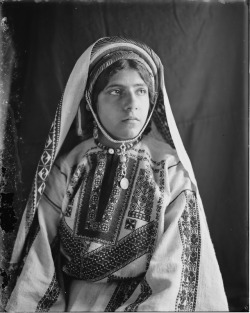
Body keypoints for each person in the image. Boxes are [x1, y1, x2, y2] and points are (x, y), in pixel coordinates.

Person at [5, 37, 228, 312]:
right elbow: (39, 265)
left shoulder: (169, 170)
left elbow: (175, 271)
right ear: (90, 101)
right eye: (115, 91)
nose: (131, 103)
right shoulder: (69, 168)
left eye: (141, 91)